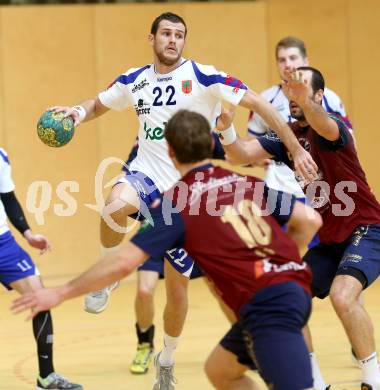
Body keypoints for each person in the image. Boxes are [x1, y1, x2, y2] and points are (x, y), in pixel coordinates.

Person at [48, 12, 317, 385]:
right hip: (145, 174)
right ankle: (107, 277)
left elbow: (258, 103)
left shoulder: (203, 75)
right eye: (166, 34)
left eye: (179, 35)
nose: (173, 40)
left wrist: (294, 146)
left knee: (177, 293)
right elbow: (97, 104)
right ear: (152, 38)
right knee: (113, 206)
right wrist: (75, 114)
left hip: (188, 195)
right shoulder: (134, 80)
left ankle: (168, 358)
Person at [12, 109, 322, 390]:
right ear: (210, 146)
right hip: (293, 287)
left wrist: (60, 293)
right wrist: (283, 264)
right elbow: (310, 220)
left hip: (268, 306)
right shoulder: (244, 181)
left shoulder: (176, 204)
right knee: (220, 371)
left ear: (169, 152)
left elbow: (123, 262)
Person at [220, 66, 380, 390]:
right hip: (331, 240)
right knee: (289, 299)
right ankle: (314, 384)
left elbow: (320, 120)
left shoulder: (332, 127)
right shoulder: (289, 137)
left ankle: (374, 378)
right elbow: (240, 154)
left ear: (318, 95)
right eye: (289, 87)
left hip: (367, 228)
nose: (291, 92)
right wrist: (225, 130)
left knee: (342, 296)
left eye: (301, 86)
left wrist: (306, 100)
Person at [247, 35, 355, 389]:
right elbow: (251, 148)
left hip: (318, 196)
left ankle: (359, 344)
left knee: (340, 275)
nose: (287, 64)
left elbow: (342, 143)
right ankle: (287, 350)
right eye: (281, 59)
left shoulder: (328, 97)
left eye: (293, 58)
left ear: (305, 60)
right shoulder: (266, 100)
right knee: (282, 273)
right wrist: (273, 151)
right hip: (279, 194)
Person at [122, 132, 228, 375]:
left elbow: (231, 152)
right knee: (143, 290)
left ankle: (245, 341)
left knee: (216, 290)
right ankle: (144, 345)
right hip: (156, 229)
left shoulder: (195, 133)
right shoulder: (145, 141)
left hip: (189, 230)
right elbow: (130, 180)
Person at [0, 147, 82, 390]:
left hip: (3, 242)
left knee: (40, 297)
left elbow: (8, 198)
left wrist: (27, 233)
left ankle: (46, 377)